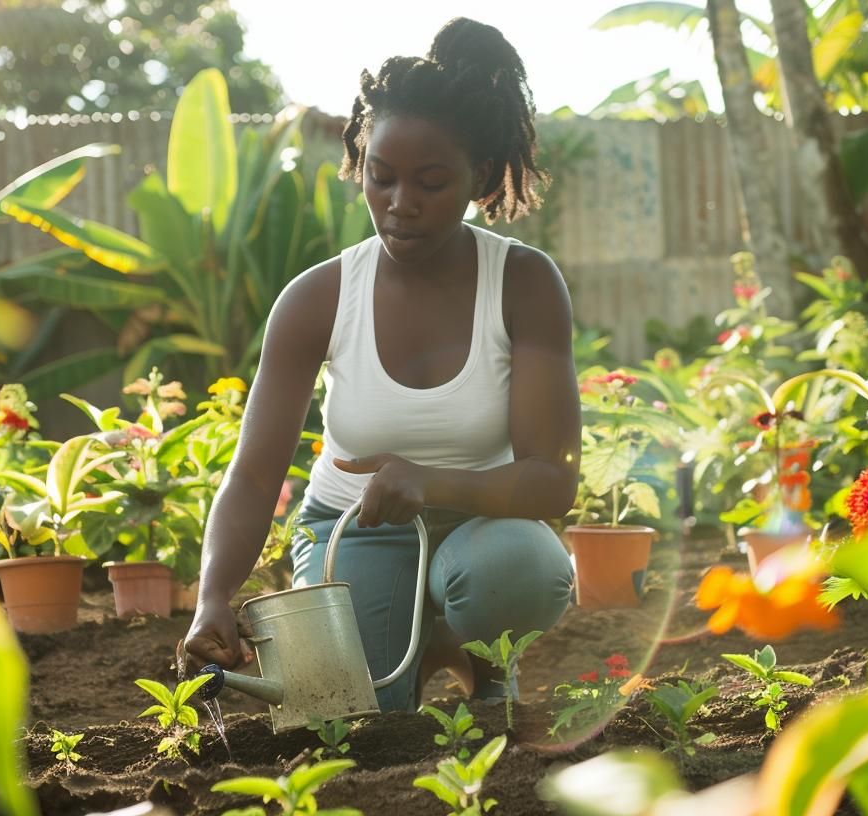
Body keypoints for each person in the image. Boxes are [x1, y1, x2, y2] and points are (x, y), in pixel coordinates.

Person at [181, 17, 579, 712]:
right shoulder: (318, 299)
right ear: (360, 160)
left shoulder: (523, 284)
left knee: (522, 571)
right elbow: (252, 473)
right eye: (382, 176)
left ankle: (472, 654)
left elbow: (551, 483)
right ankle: (415, 650)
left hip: (484, 530)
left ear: (479, 175)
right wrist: (211, 597)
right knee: (350, 718)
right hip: (353, 530)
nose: (400, 205)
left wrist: (430, 481)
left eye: (430, 182)